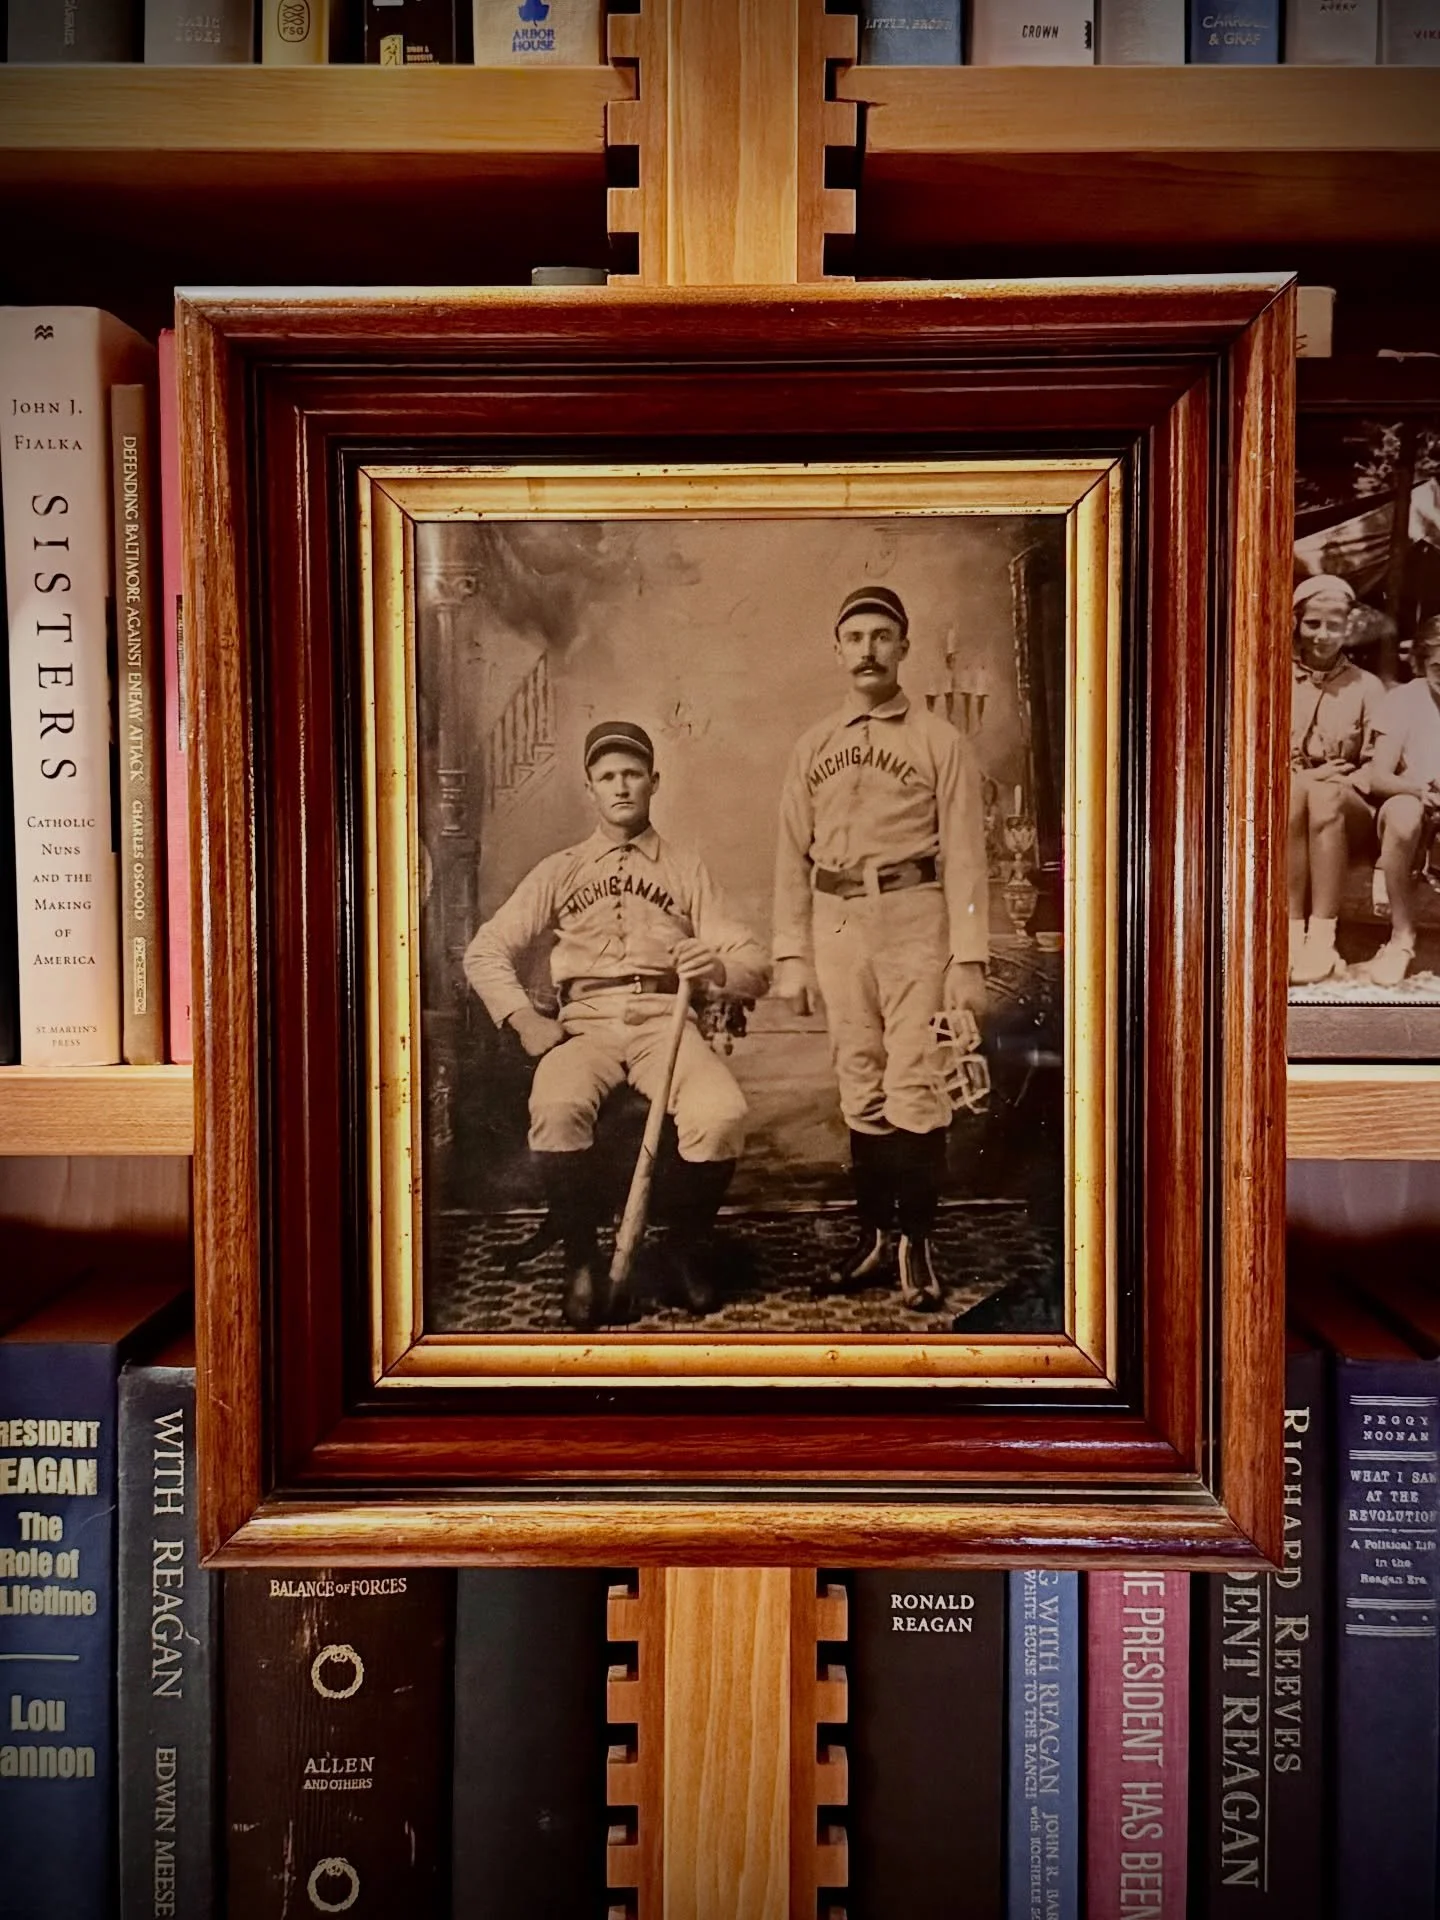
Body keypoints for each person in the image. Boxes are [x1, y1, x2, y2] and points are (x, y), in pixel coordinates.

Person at [464, 721, 769, 1330]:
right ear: (590, 789)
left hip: (666, 1022)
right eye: (607, 777)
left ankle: (681, 1247)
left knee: (721, 1114)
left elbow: (755, 964)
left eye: (633, 774)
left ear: (654, 782)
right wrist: (523, 1018)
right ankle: (582, 1259)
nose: (621, 786)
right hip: (586, 1026)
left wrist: (716, 965)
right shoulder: (562, 868)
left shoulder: (685, 866)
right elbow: (485, 949)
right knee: (556, 1105)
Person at [772, 584, 989, 1310]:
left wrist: (969, 959)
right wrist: (791, 955)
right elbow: (788, 857)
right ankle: (874, 1238)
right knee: (859, 1081)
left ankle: (917, 1243)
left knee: (917, 1081)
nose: (867, 649)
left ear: (904, 647)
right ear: (837, 650)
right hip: (837, 920)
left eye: (881, 635)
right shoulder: (813, 746)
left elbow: (964, 855)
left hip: (914, 917)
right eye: (854, 636)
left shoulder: (939, 741)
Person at [1288, 574, 1386, 985]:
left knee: (1324, 795)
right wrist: (1305, 776)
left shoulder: (1367, 687)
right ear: (1296, 623)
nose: (1323, 635)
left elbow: (1378, 767)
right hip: (1292, 800)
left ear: (1350, 628)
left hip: (1351, 805)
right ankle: (1291, 934)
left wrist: (1333, 781)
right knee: (1296, 790)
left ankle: (1322, 937)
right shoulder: (1269, 676)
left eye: (1334, 625)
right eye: (1313, 624)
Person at [1361, 617, 1440, 987]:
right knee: (1406, 815)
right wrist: (1418, 790)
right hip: (1409, 798)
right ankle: (1401, 937)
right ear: (1422, 663)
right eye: (1438, 665)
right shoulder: (1405, 699)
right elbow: (1379, 778)